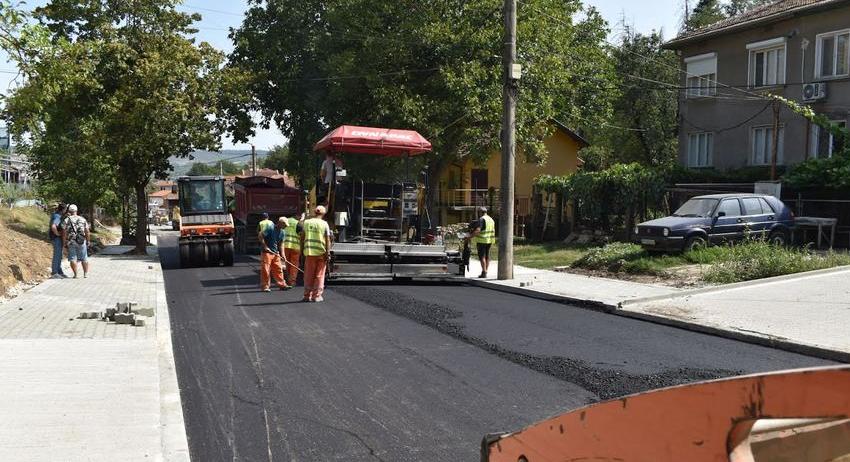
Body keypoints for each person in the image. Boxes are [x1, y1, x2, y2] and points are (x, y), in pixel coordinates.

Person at [300, 205, 332, 302]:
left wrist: (302, 251)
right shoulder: (324, 224)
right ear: (323, 213)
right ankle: (316, 296)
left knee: (308, 275)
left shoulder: (306, 222)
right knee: (319, 275)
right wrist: (328, 253)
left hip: (309, 252)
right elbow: (327, 240)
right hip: (321, 253)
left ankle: (307, 296)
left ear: (315, 212)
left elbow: (302, 238)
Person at [258, 217, 290, 292]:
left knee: (279, 269)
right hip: (267, 253)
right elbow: (260, 236)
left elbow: (281, 244)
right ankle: (265, 286)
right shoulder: (270, 228)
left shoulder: (282, 232)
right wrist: (265, 246)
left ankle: (282, 284)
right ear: (280, 223)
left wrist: (283, 255)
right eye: (284, 225)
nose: (285, 227)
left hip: (275, 253)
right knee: (266, 270)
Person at [62, 204, 90, 279]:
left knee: (73, 258)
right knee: (84, 258)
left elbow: (64, 232)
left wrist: (64, 242)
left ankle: (76, 275)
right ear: (76, 211)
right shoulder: (83, 219)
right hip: (81, 240)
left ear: (69, 211)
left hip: (71, 241)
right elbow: (87, 231)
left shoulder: (66, 220)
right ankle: (85, 274)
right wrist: (88, 241)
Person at [470, 206, 495, 278]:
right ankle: (485, 271)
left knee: (482, 257)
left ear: (480, 212)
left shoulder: (481, 219)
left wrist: (469, 237)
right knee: (487, 256)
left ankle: (484, 272)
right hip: (489, 240)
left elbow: (478, 230)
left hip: (482, 241)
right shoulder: (491, 219)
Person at [282, 213, 304, 287]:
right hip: (295, 247)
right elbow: (301, 236)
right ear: (296, 215)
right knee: (294, 265)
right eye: (300, 216)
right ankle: (292, 281)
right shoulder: (298, 224)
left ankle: (287, 279)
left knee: (287, 263)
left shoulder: (285, 221)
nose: (300, 218)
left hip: (285, 246)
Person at [49, 203, 67, 279]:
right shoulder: (57, 216)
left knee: (59, 255)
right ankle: (54, 272)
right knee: (57, 255)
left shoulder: (56, 215)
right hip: (56, 238)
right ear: (63, 209)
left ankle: (59, 271)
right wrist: (57, 234)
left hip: (56, 238)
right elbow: (53, 226)